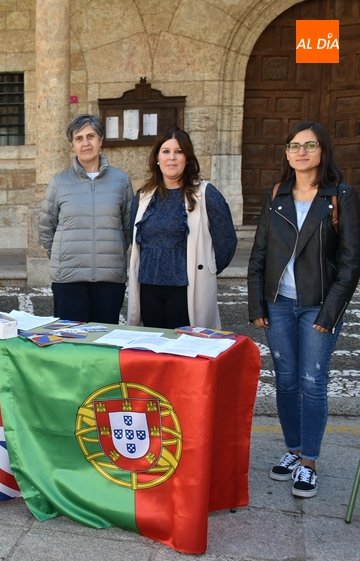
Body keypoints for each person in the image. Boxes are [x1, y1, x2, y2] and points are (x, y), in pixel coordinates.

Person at [247, 121, 360, 498]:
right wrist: (256, 303)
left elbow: (350, 261)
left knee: (313, 383)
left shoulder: (339, 196)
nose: (301, 152)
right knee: (286, 379)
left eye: (309, 145)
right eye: (294, 146)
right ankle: (293, 451)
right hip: (279, 304)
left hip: (318, 305)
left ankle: (309, 461)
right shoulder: (276, 194)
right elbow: (259, 251)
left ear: (323, 150)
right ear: (287, 153)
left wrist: (331, 313)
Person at [127, 127, 237, 330]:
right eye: (166, 151)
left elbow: (227, 241)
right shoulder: (143, 197)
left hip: (186, 289)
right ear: (157, 158)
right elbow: (133, 238)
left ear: (187, 158)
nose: (172, 158)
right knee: (155, 352)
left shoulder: (206, 194)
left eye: (178, 151)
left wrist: (207, 269)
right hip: (149, 288)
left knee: (186, 353)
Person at [38, 114, 133, 323]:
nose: (85, 143)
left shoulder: (121, 181)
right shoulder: (59, 183)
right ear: (72, 145)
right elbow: (46, 228)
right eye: (79, 138)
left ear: (100, 140)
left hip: (109, 278)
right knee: (71, 342)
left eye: (91, 136)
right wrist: (62, 256)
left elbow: (128, 228)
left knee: (104, 341)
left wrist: (112, 254)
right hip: (68, 278)